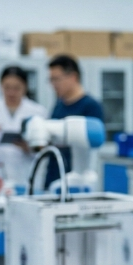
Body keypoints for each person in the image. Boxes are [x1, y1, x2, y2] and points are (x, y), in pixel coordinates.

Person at [0, 66, 48, 184]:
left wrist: (29, 147)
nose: (11, 93)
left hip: (26, 176)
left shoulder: (38, 112)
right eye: (7, 87)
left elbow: (45, 150)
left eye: (16, 88)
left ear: (25, 87)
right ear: (0, 85)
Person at [46, 55, 103, 187]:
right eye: (51, 80)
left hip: (77, 179)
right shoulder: (59, 105)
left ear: (73, 77)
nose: (53, 84)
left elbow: (92, 143)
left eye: (56, 79)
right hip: (54, 173)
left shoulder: (91, 106)